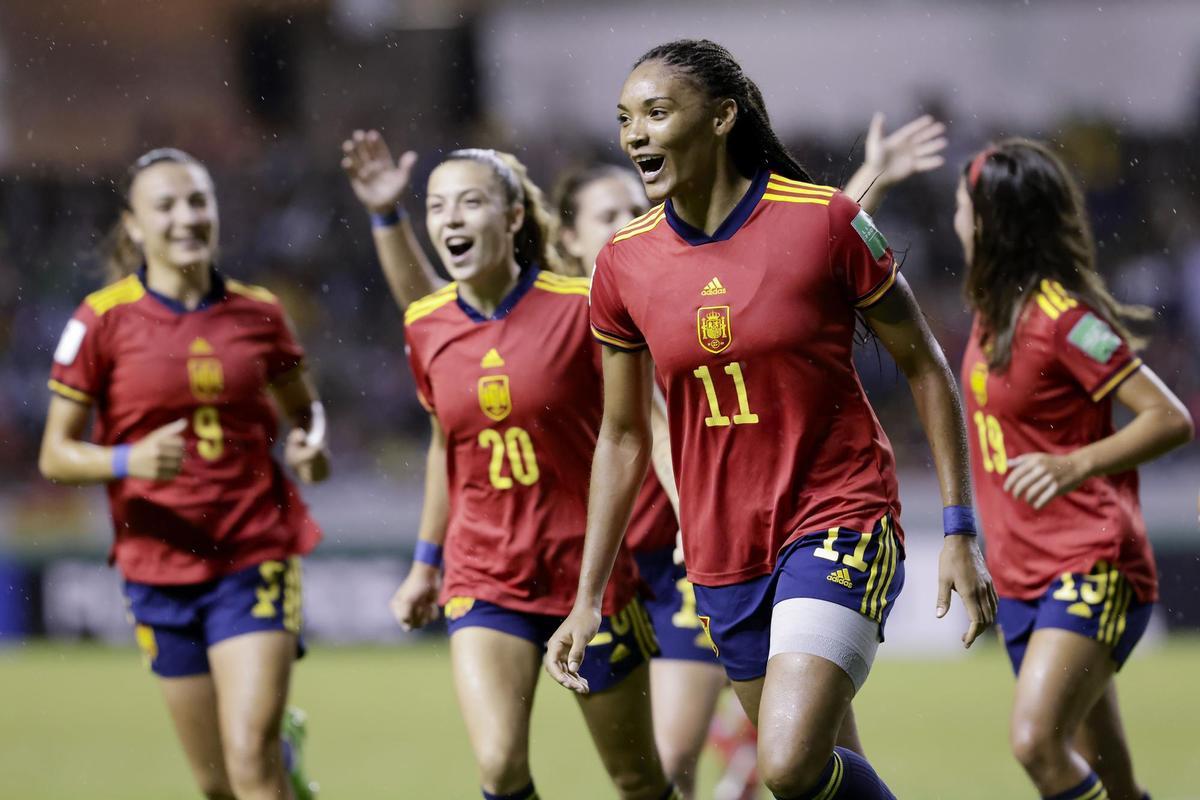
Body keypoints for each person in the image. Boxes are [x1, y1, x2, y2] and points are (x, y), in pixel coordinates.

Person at [545, 38, 997, 800]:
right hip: (724, 553)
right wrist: (587, 596)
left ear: (722, 117)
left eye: (657, 113)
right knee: (814, 775)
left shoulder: (828, 222)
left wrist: (958, 528)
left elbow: (926, 365)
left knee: (784, 763)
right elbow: (622, 436)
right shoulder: (622, 265)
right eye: (625, 118)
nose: (635, 135)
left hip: (838, 515)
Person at [345, 143, 679, 800]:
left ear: (514, 215)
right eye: (437, 206)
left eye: (471, 202)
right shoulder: (425, 326)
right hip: (485, 572)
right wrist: (424, 562)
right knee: (498, 765)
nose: (451, 219)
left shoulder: (583, 308)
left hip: (591, 577)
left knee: (637, 779)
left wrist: (691, 517)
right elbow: (447, 443)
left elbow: (650, 425)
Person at [38, 148, 327, 800]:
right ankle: (285, 755)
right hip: (158, 567)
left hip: (255, 551)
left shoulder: (260, 314)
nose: (185, 217)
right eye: (164, 205)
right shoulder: (100, 320)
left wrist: (312, 445)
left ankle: (272, 755)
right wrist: (125, 460)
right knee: (217, 781)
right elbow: (55, 454)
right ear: (134, 226)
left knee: (249, 757)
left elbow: (307, 414)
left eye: (198, 201)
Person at [957, 139, 1193, 800]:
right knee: (1112, 777)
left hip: (1091, 564)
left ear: (988, 223)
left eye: (960, 207)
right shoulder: (988, 315)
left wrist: (1074, 464)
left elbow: (1170, 417)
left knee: (1035, 742)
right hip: (1020, 578)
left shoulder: (1066, 320)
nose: (953, 221)